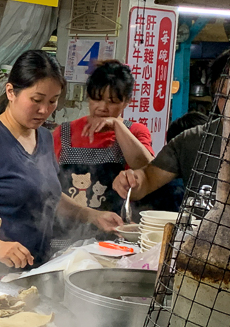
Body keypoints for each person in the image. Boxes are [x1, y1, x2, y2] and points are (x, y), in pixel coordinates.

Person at [0, 50, 123, 276]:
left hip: (34, 269)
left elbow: (48, 195)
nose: (44, 110)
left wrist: (91, 215)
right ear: (11, 92)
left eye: (52, 101)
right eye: (36, 100)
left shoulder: (44, 137)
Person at [52, 60, 154, 245]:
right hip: (64, 238)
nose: (103, 107)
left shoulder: (135, 132)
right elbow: (47, 186)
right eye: (96, 99)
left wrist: (117, 125)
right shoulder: (63, 133)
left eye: (113, 102)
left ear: (127, 102)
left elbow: (147, 168)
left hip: (114, 237)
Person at [113, 52, 230, 203]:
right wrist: (131, 181)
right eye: (223, 96)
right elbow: (148, 179)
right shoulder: (192, 141)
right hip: (198, 227)